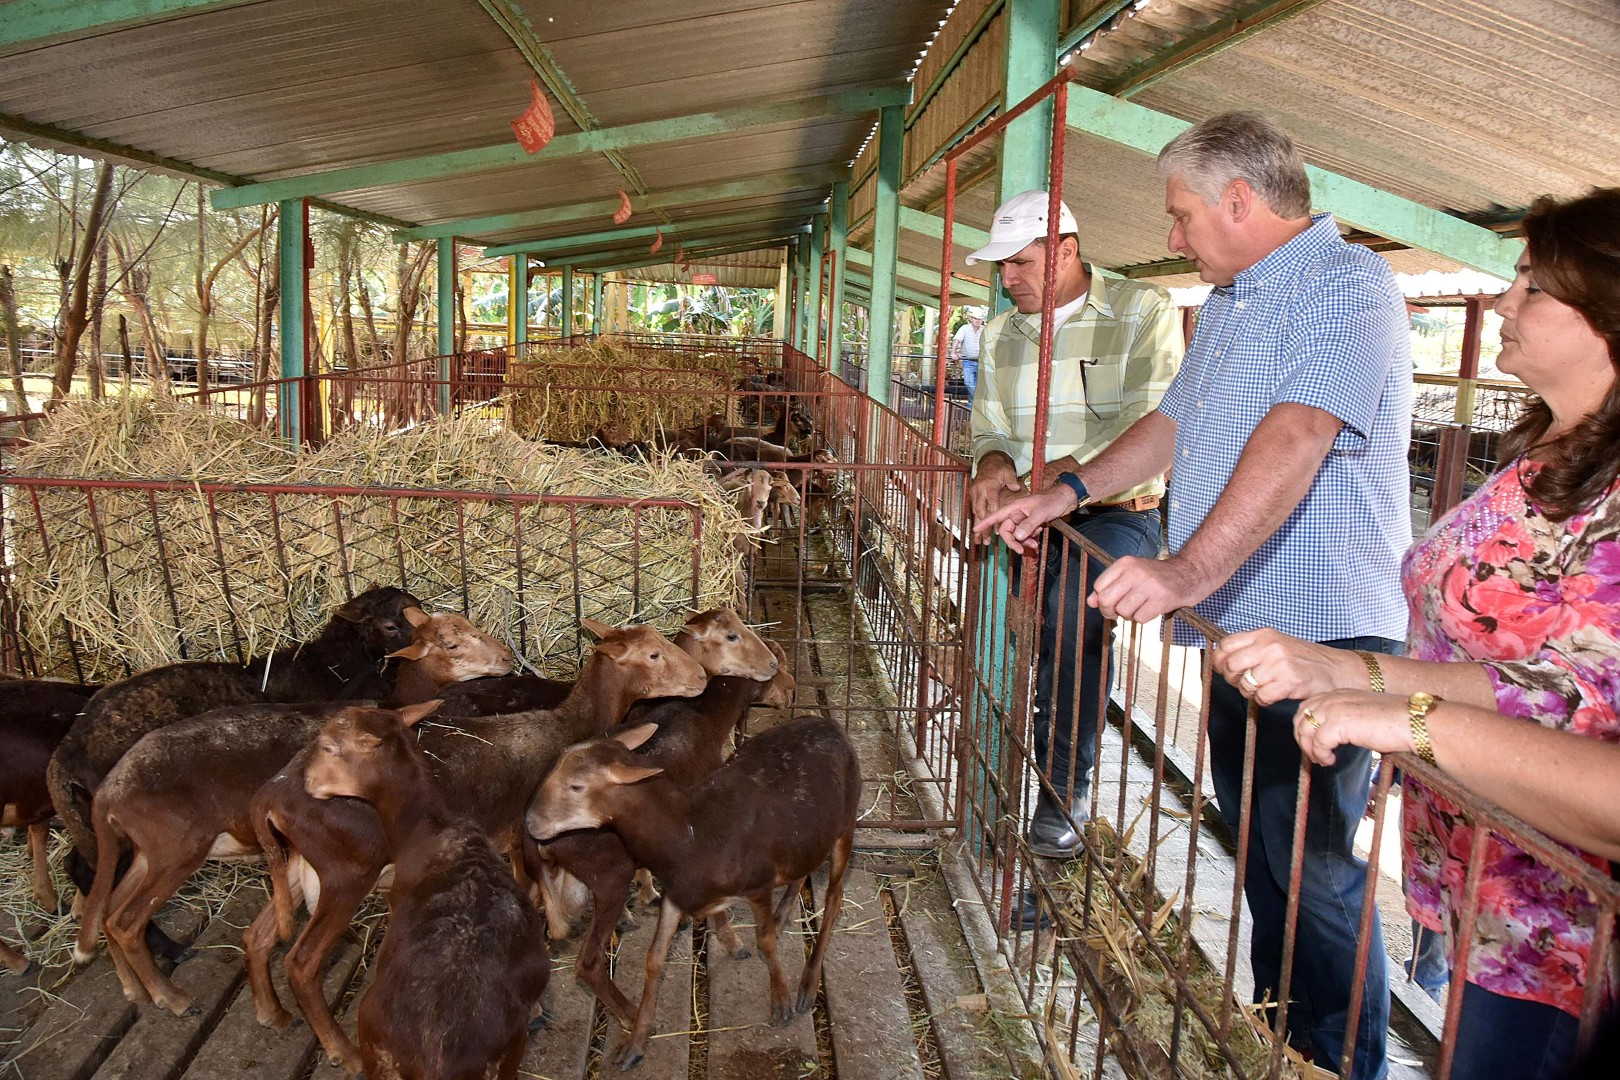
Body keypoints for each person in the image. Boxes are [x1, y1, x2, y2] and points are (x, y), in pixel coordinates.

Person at [976, 113, 1412, 1078]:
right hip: (1245, 628)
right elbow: (1175, 421)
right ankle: (1278, 1042)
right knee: (1259, 849)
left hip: (1327, 626)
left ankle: (1337, 1063)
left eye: (1179, 216)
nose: (1171, 236)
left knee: (1316, 870)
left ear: (1239, 203)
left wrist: (1183, 572)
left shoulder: (1350, 286)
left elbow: (1299, 433)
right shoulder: (1231, 304)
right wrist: (1071, 488)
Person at [1224, 186, 1620, 1080]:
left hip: (1565, 935)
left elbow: (1594, 722)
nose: (1503, 303)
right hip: (1488, 889)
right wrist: (1347, 670)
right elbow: (1536, 680)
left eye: (1532, 287)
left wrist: (1411, 721)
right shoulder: (1548, 458)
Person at [964, 189, 1181, 919]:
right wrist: (992, 466)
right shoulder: (1000, 334)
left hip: (1116, 509)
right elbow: (987, 423)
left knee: (1072, 614)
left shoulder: (1140, 311)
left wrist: (1058, 479)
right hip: (1029, 505)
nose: (1009, 280)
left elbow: (1151, 415)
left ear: (1065, 249)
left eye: (1021, 263)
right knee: (1013, 631)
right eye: (1001, 268)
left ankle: (1063, 786)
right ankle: (991, 758)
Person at [950, 307, 987, 396]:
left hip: (982, 361)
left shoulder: (985, 329)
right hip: (968, 361)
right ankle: (975, 403)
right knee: (969, 383)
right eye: (975, 318)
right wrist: (953, 352)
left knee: (981, 385)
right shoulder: (965, 328)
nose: (978, 320)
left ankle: (972, 406)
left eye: (979, 319)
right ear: (971, 319)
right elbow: (957, 340)